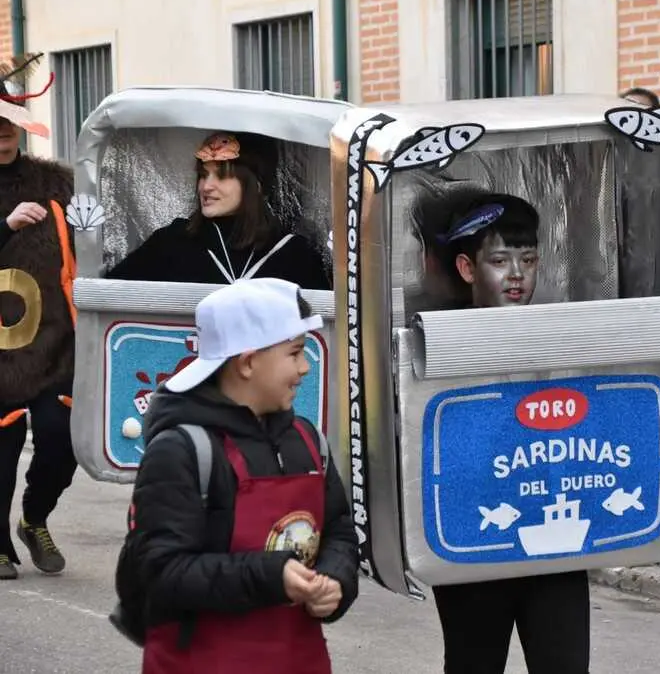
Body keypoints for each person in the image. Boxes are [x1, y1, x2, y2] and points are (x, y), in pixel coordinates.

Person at [128, 277, 359, 673]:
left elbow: (338, 529)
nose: (305, 368)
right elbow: (162, 573)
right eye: (295, 353)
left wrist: (336, 580)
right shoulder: (181, 451)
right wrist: (271, 575)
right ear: (248, 362)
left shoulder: (307, 440)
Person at [410, 178, 589, 674]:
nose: (516, 275)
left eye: (528, 261)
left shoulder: (567, 339)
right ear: (467, 268)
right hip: (474, 544)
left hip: (554, 546)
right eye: (499, 260)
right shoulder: (433, 346)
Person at [0, 54, 77, 581]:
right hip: (0, 349)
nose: (2, 134)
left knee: (63, 436)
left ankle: (35, 518)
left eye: (8, 124)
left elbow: (98, 240)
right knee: (1, 451)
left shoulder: (56, 184)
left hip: (53, 344)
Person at [107, 131, 331, 290]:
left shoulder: (294, 255)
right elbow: (107, 297)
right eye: (203, 175)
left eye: (222, 176)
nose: (206, 186)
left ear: (256, 185)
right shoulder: (170, 243)